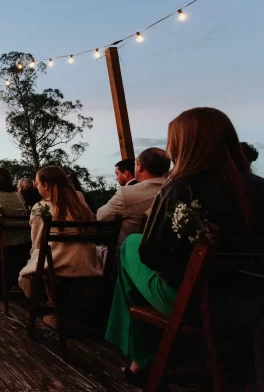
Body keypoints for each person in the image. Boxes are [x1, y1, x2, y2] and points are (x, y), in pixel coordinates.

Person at [106, 108, 264, 387]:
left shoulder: (182, 187)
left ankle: (140, 358)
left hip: (196, 302)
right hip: (253, 302)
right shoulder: (259, 188)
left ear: (185, 144)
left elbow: (152, 255)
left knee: (131, 246)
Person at [18, 165, 101, 303]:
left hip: (57, 266)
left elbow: (37, 243)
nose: (37, 188)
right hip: (88, 264)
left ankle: (55, 310)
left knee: (36, 263)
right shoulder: (80, 202)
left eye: (37, 184)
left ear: (45, 185)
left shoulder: (40, 208)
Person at [97, 148, 171, 265]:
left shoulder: (127, 194)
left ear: (139, 166)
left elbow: (101, 216)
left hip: (129, 260)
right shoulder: (175, 190)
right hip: (169, 260)